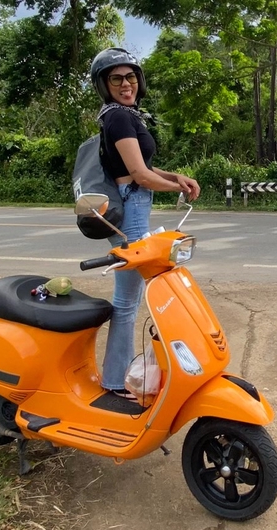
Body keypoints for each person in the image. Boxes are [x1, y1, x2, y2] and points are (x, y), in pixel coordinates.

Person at [89, 47, 201, 401]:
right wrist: (175, 189)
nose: (127, 84)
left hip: (136, 204)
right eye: (117, 78)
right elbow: (139, 176)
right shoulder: (119, 118)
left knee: (132, 299)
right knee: (128, 300)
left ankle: (117, 376)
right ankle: (115, 381)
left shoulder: (125, 115)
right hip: (131, 208)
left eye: (131, 76)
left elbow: (144, 169)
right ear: (105, 85)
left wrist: (176, 177)